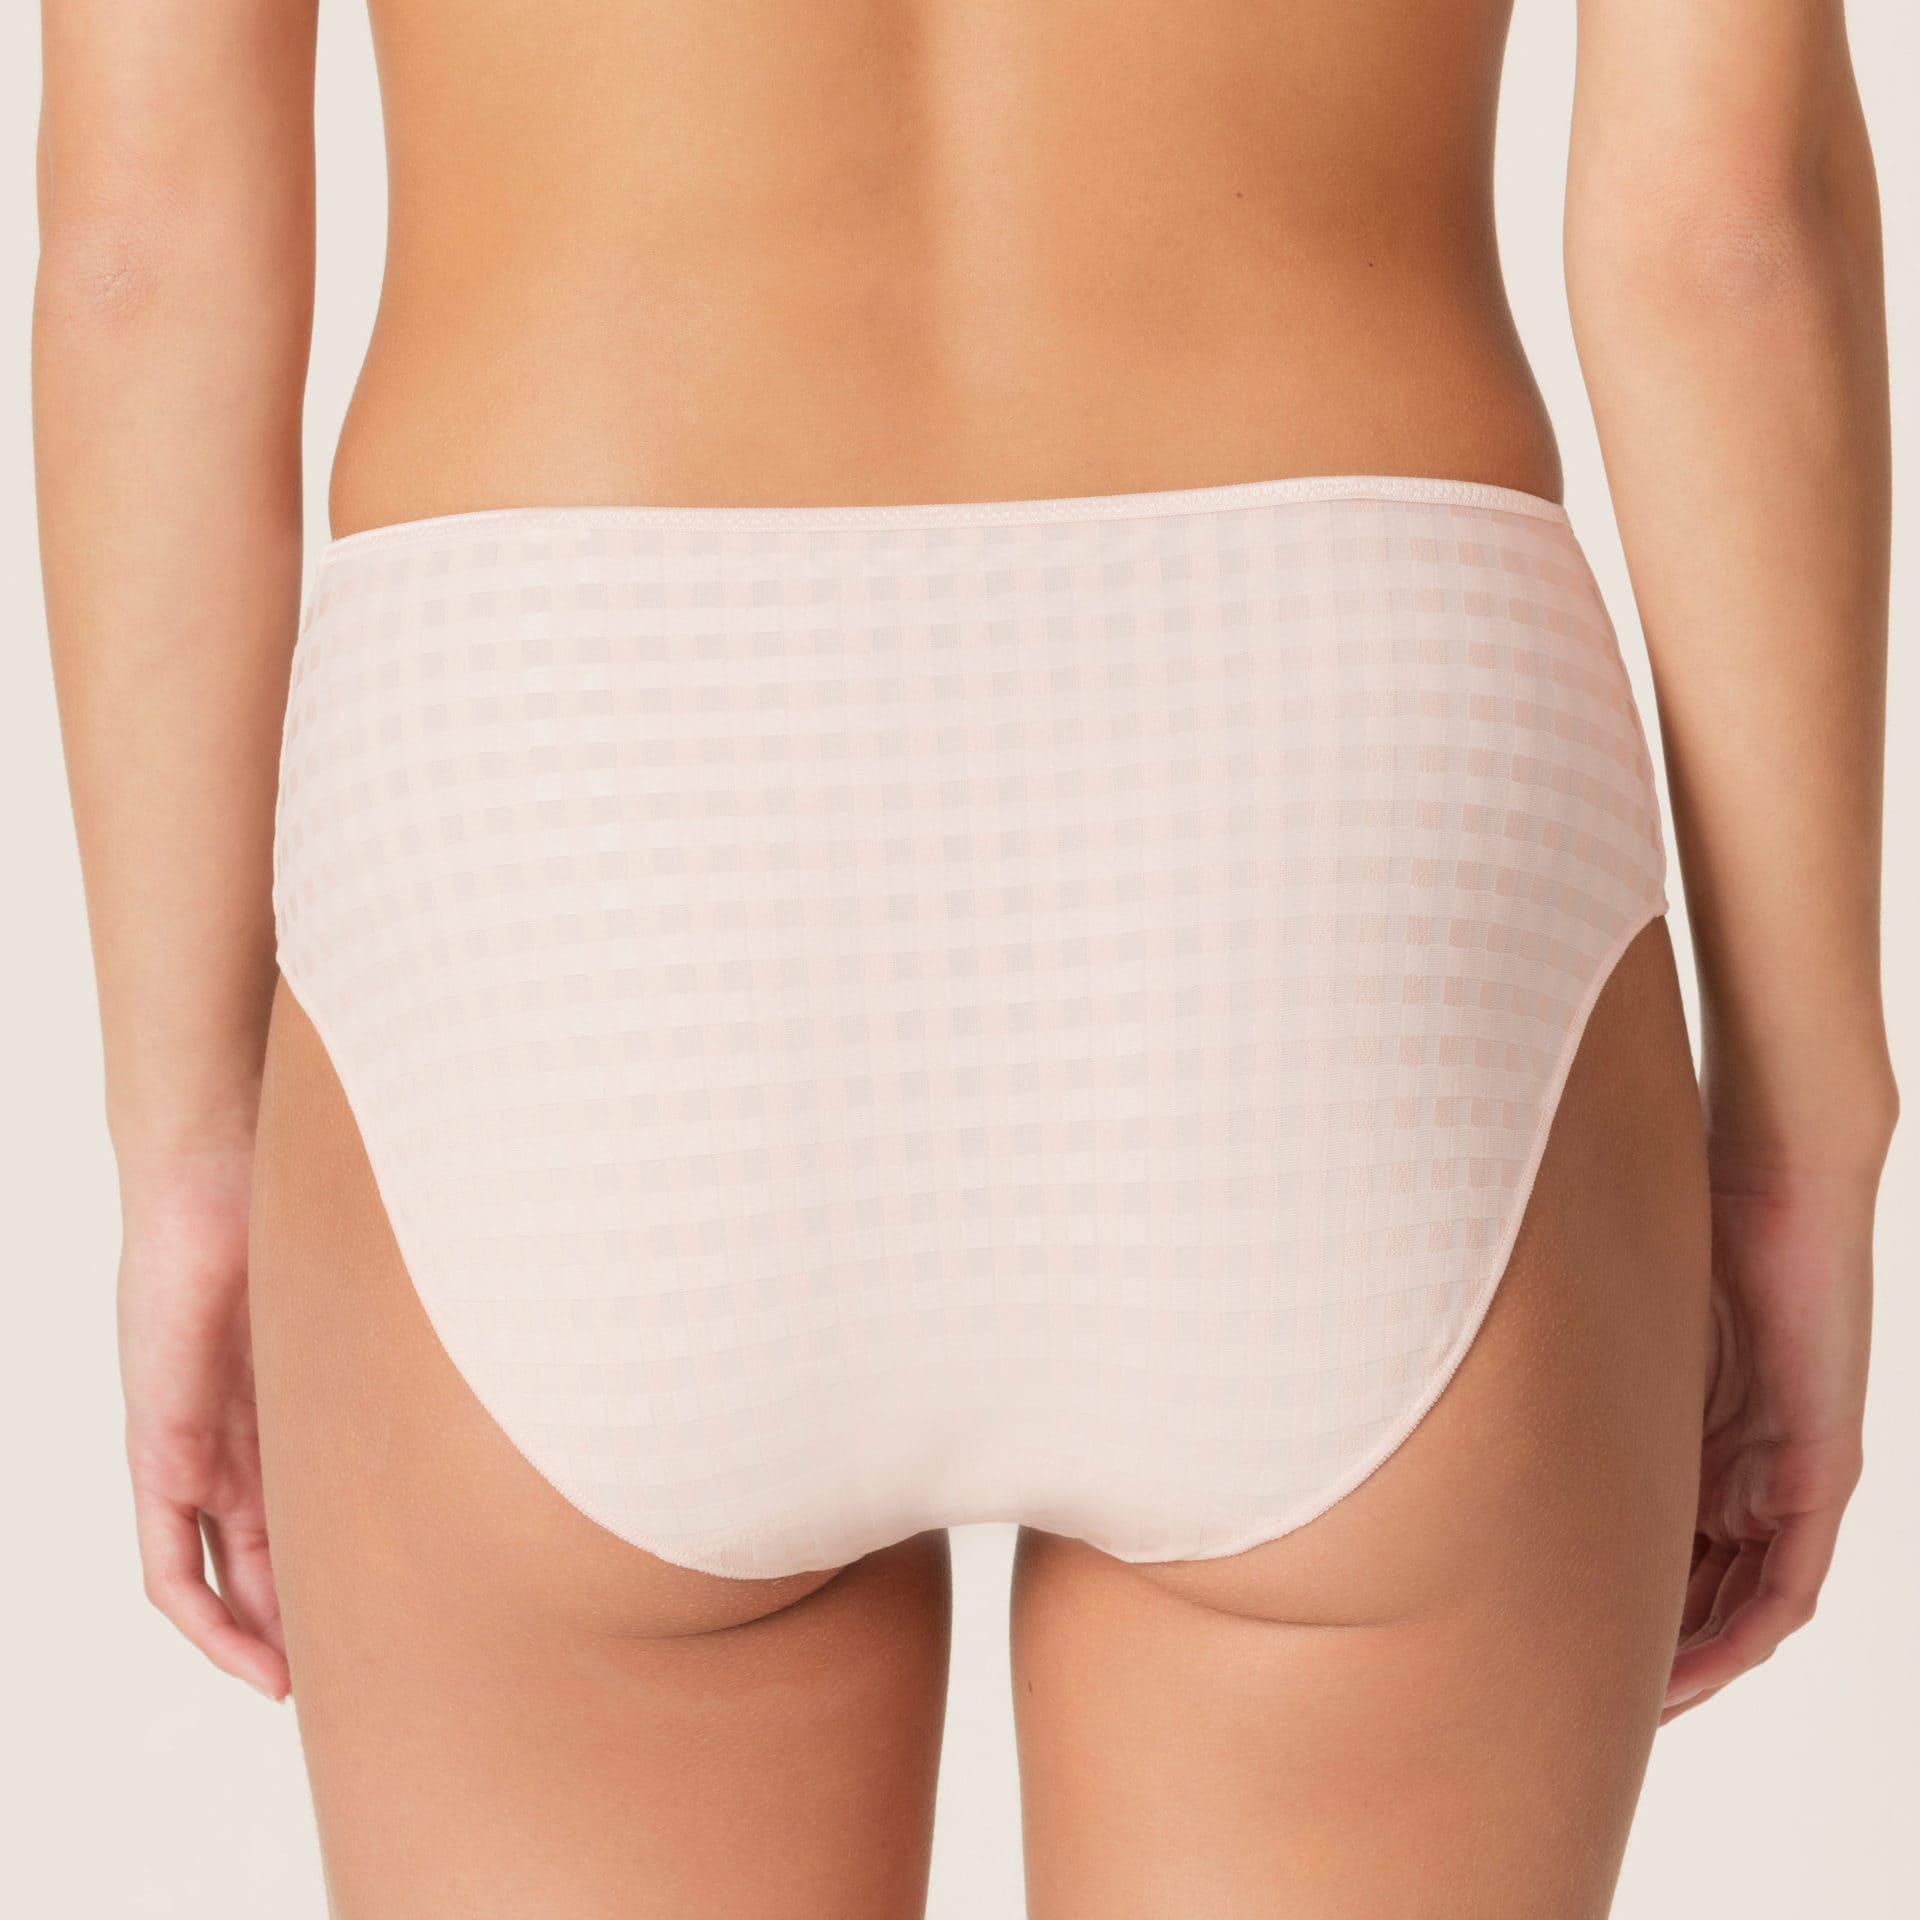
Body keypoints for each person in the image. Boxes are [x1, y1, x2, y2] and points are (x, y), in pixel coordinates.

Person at [33, 0, 1894, 1913]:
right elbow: (1727, 236)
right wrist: (1804, 1142)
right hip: (1344, 783)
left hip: (574, 813)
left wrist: (187, 1154)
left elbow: (143, 254)